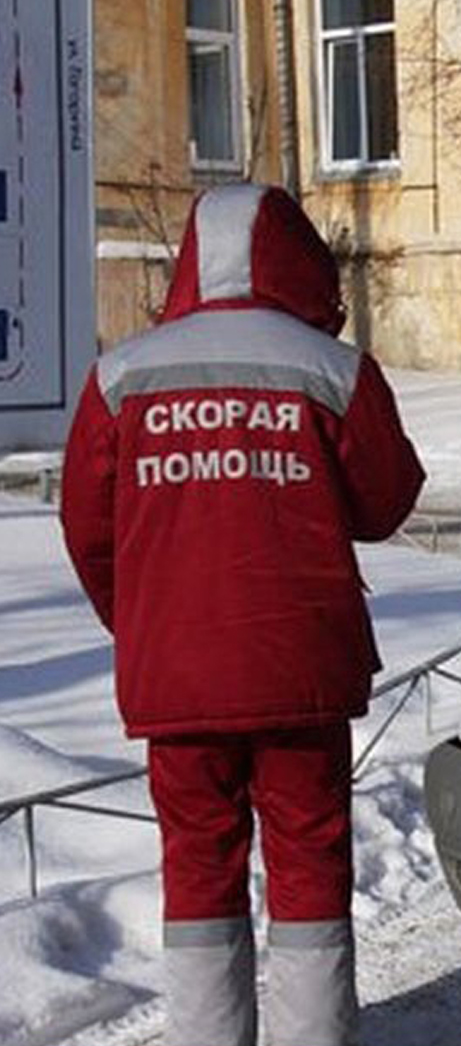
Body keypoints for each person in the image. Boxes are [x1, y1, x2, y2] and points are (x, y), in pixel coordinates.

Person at [60, 184, 425, 1046]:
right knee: (307, 861)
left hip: (179, 677)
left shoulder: (121, 376)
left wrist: (149, 625)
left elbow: (86, 525)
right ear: (297, 262)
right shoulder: (330, 370)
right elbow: (387, 501)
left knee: (197, 867)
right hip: (302, 677)